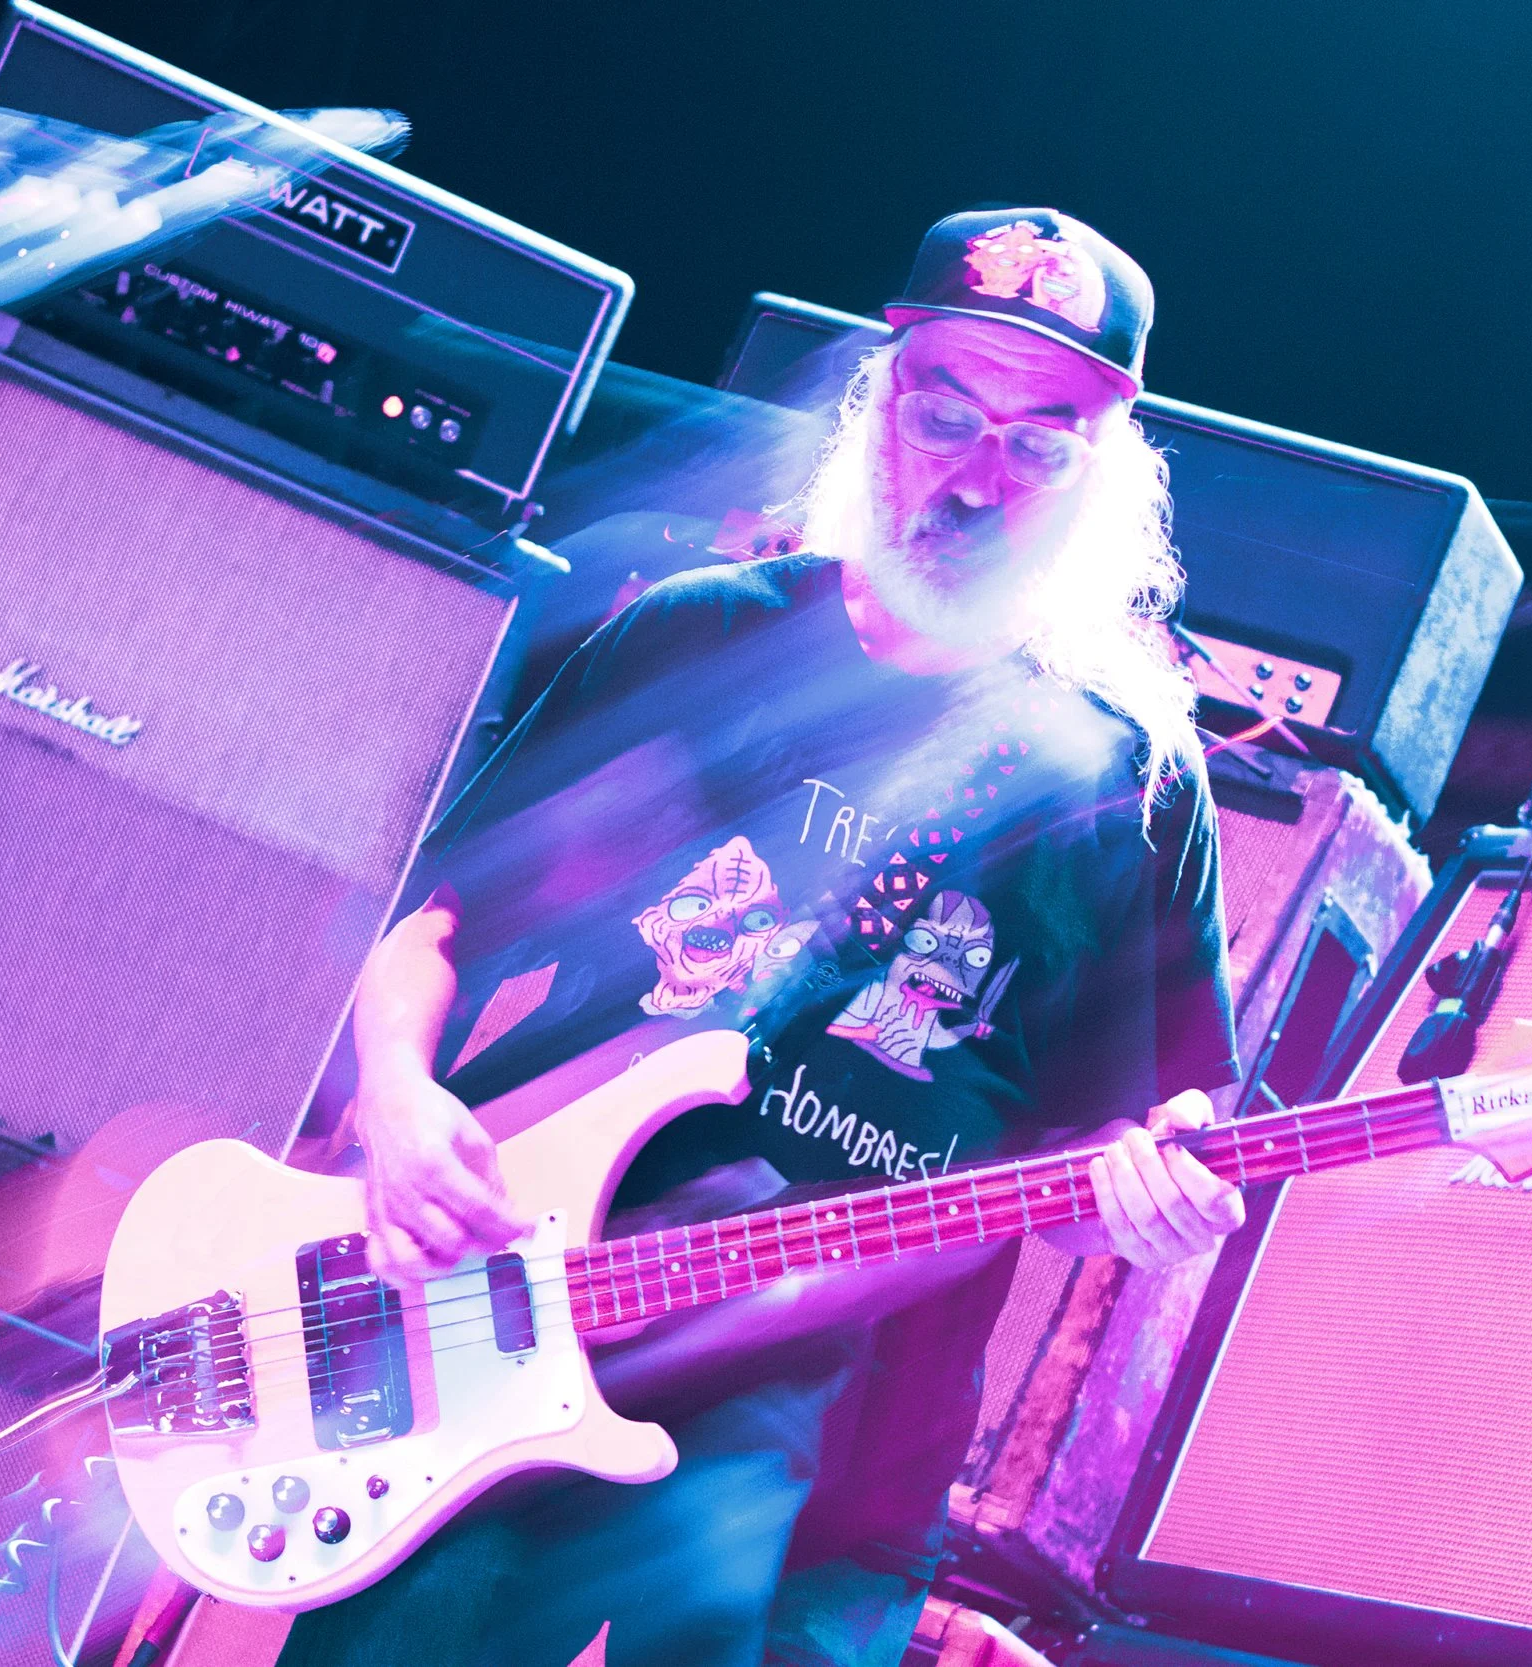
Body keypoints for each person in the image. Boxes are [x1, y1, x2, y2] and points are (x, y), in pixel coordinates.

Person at [278, 208, 1247, 1667]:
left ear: (1098, 479)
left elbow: (1144, 1125)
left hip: (838, 1439)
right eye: (947, 414)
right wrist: (402, 1106)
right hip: (515, 1328)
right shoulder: (697, 636)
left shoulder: (1128, 778)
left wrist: (1163, 1195)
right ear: (881, 403)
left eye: (1037, 443)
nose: (978, 477)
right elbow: (442, 920)